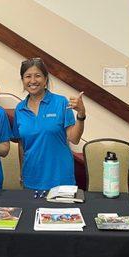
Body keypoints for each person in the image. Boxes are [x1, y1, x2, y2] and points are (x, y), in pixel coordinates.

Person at [12, 57, 86, 191]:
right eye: (28, 76)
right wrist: (22, 173)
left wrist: (81, 114)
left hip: (60, 178)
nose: (33, 81)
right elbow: (22, 145)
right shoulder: (19, 109)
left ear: (46, 79)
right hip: (32, 177)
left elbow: (74, 138)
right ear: (23, 80)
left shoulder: (61, 102)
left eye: (38, 76)